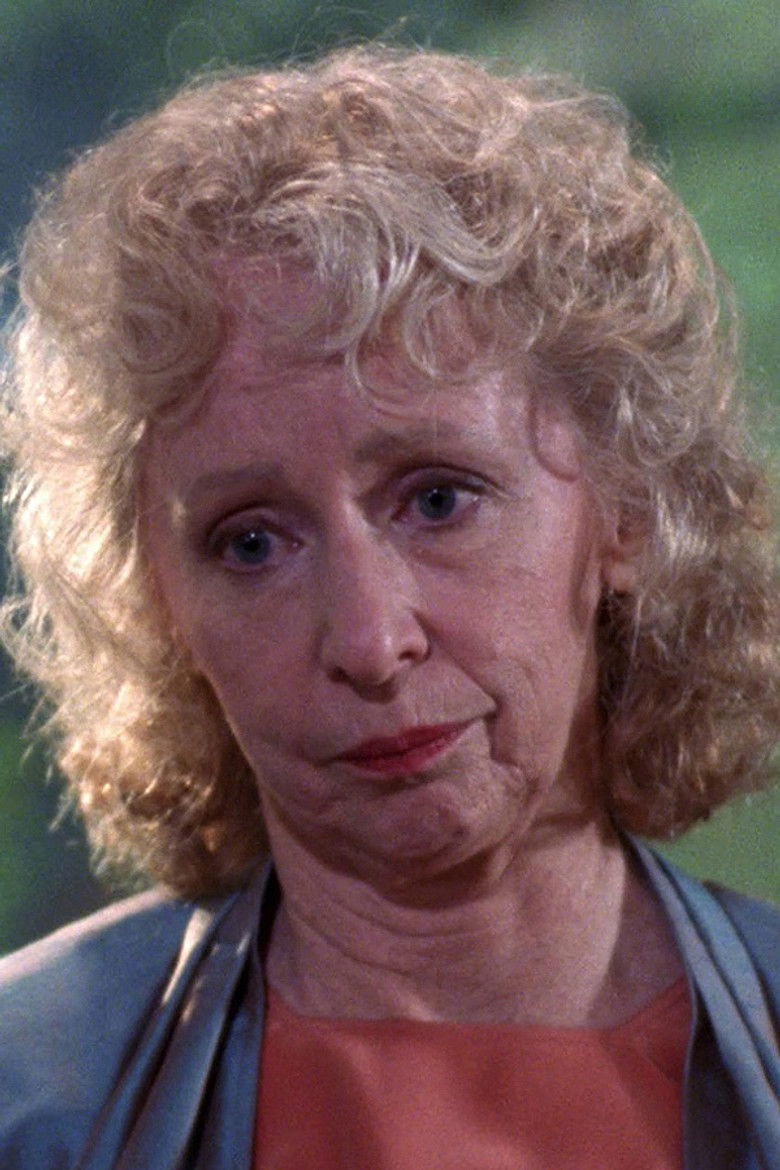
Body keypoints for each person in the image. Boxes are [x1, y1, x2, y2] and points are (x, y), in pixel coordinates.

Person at [0, 44, 778, 1170]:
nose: (370, 642)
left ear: (626, 510)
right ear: (155, 605)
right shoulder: (28, 1099)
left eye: (439, 500)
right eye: (252, 543)